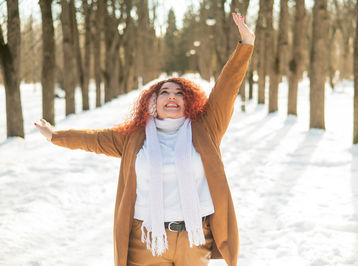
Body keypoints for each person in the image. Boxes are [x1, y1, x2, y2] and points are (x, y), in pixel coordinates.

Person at [35, 13, 254, 266]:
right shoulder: (135, 137)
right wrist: (55, 136)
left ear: (188, 101)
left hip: (194, 240)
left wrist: (246, 45)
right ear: (153, 101)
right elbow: (94, 139)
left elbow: (226, 88)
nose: (172, 96)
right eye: (165, 92)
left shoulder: (205, 129)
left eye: (179, 93)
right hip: (146, 241)